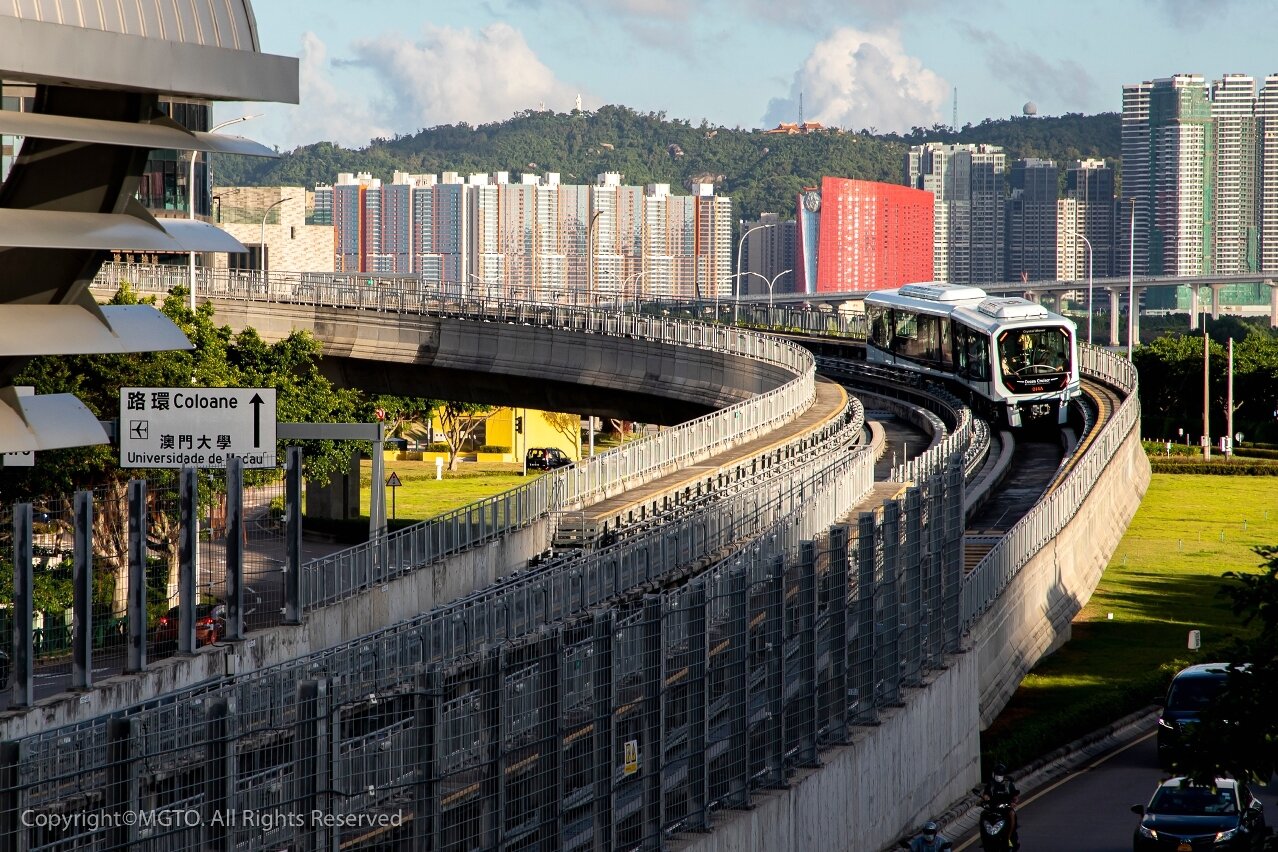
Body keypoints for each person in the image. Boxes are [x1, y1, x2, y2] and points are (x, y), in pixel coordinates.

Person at [982, 763, 1020, 849]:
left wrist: (1014, 801)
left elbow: (1015, 795)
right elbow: (986, 794)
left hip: (1006, 807)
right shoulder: (990, 784)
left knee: (1012, 814)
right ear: (993, 774)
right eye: (997, 774)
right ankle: (985, 838)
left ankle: (1010, 837)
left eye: (1000, 774)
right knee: (983, 814)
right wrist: (985, 798)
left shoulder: (1008, 784)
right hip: (993, 807)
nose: (998, 776)